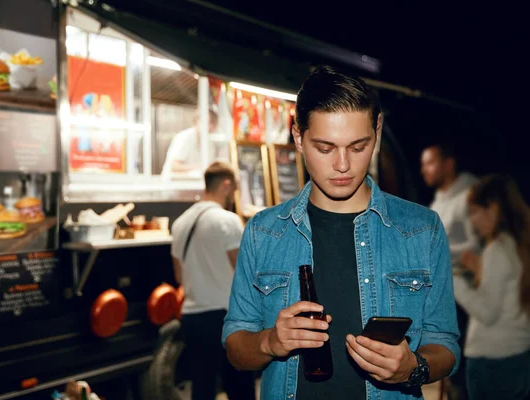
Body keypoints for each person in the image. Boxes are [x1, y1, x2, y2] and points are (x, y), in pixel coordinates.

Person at [223, 66, 460, 400]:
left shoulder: (421, 229)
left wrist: (413, 367)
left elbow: (446, 344)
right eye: (325, 148)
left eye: (358, 146)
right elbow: (235, 347)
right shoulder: (264, 232)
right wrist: (270, 342)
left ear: (377, 130)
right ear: (298, 138)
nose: (343, 165)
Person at [170, 161, 256, 400]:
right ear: (226, 185)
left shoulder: (180, 223)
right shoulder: (227, 221)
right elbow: (243, 272)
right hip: (226, 318)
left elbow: (179, 276)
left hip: (193, 317)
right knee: (240, 387)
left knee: (202, 388)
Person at [453, 175, 530, 400]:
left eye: (475, 211)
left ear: (493, 209)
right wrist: (479, 270)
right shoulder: (519, 244)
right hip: (518, 357)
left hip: (492, 362)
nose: (473, 221)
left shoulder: (497, 248)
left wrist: (452, 280)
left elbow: (487, 312)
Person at [421, 143, 479, 400]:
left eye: (430, 162)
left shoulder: (470, 194)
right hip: (447, 291)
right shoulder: (439, 200)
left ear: (449, 163)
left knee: (464, 365)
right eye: (422, 164)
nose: (424, 170)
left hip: (469, 297)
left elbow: (482, 242)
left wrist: (442, 251)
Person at [161, 108, 219, 178]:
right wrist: (199, 167)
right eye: (209, 122)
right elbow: (174, 166)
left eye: (214, 123)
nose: (211, 127)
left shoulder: (209, 142)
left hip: (194, 185)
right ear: (197, 120)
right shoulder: (184, 137)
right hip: (175, 185)